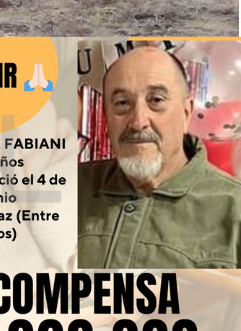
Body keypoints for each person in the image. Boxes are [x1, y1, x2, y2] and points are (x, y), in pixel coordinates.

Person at [78, 46, 241, 268]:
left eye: (156, 100)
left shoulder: (234, 209)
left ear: (186, 113)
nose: (138, 122)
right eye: (122, 103)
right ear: (106, 117)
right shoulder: (71, 187)